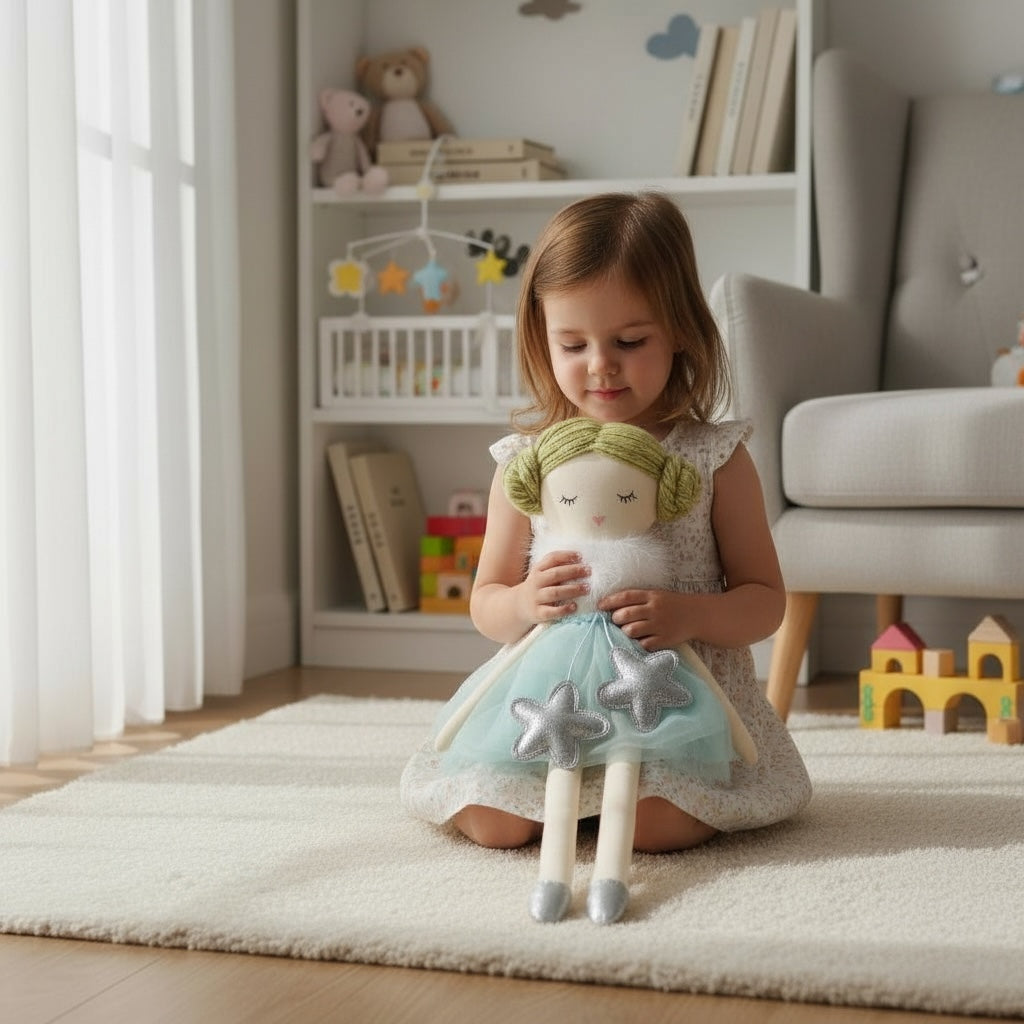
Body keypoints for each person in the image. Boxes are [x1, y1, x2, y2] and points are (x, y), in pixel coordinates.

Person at [400, 190, 811, 860]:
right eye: (573, 343)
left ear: (680, 329)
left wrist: (690, 615)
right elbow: (486, 602)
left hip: (677, 706)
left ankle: (608, 799)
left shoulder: (713, 459)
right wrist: (525, 603)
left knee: (655, 827)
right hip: (549, 699)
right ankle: (563, 794)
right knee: (495, 824)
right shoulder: (525, 466)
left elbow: (765, 602)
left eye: (629, 341)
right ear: (543, 340)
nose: (601, 365)